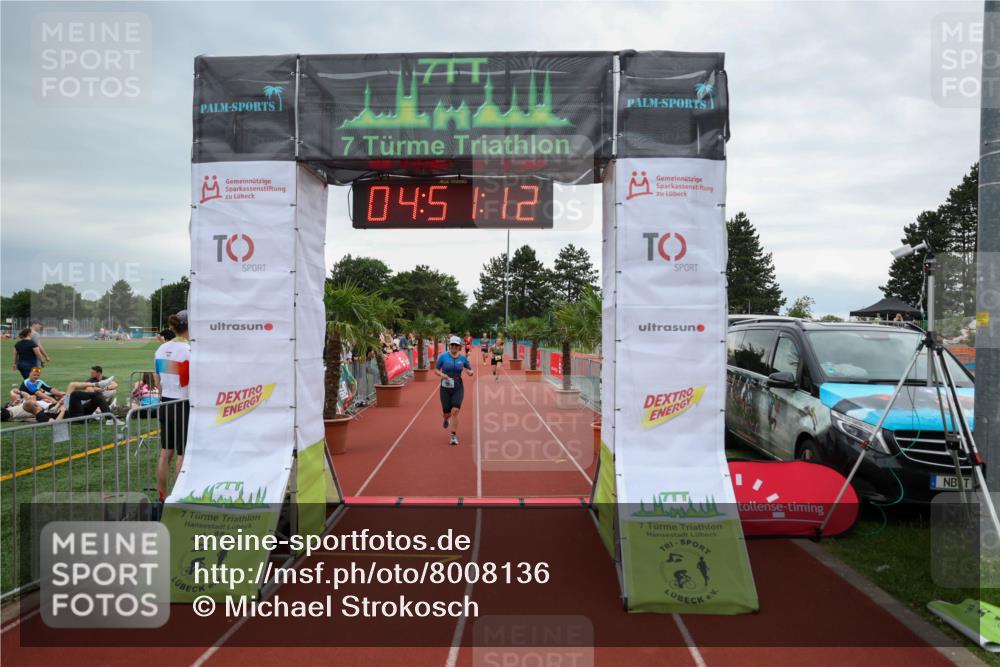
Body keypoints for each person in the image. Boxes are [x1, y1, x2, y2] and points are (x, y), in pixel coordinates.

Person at [154, 312, 191, 501]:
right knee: (182, 455)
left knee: (165, 453)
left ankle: (161, 497)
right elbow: (190, 380)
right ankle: (177, 498)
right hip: (182, 404)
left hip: (165, 402)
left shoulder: (161, 349)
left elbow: (157, 379)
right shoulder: (188, 351)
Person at [435, 335, 474, 446]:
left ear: (459, 347)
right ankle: (446, 418)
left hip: (458, 386)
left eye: (456, 345)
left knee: (455, 411)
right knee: (447, 413)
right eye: (452, 345)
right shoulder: (443, 357)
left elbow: (470, 369)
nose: (454, 347)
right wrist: (442, 374)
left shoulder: (463, 359)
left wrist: (470, 372)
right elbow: (436, 370)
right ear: (450, 345)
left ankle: (453, 435)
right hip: (445, 387)